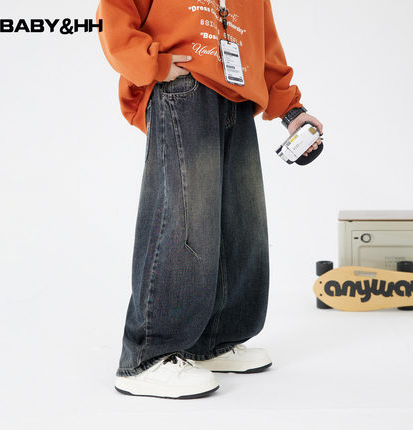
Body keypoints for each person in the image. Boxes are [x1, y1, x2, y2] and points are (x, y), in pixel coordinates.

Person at [96, 0, 323, 399]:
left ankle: (213, 340)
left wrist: (292, 110)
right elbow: (114, 13)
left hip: (237, 95)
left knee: (241, 222)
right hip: (183, 87)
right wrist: (152, 63)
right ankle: (147, 356)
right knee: (185, 218)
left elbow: (264, 42)